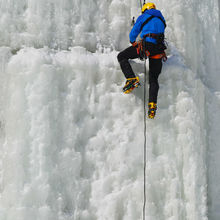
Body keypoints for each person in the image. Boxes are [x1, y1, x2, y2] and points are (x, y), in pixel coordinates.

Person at [117, 2, 167, 119]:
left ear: (145, 10)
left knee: (122, 56)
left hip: (147, 46)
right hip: (159, 50)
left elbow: (134, 32)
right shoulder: (161, 19)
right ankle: (152, 105)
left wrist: (133, 42)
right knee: (153, 79)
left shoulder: (144, 16)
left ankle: (131, 78)